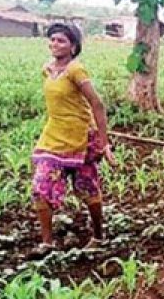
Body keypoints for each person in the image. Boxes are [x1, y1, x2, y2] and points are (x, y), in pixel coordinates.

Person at [31, 23, 115, 250]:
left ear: (73, 46)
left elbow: (97, 104)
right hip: (53, 137)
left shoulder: (76, 70)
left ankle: (98, 236)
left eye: (61, 41)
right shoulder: (47, 69)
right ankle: (46, 243)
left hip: (80, 139)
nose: (54, 44)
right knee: (40, 187)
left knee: (87, 187)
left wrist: (103, 142)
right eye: (52, 39)